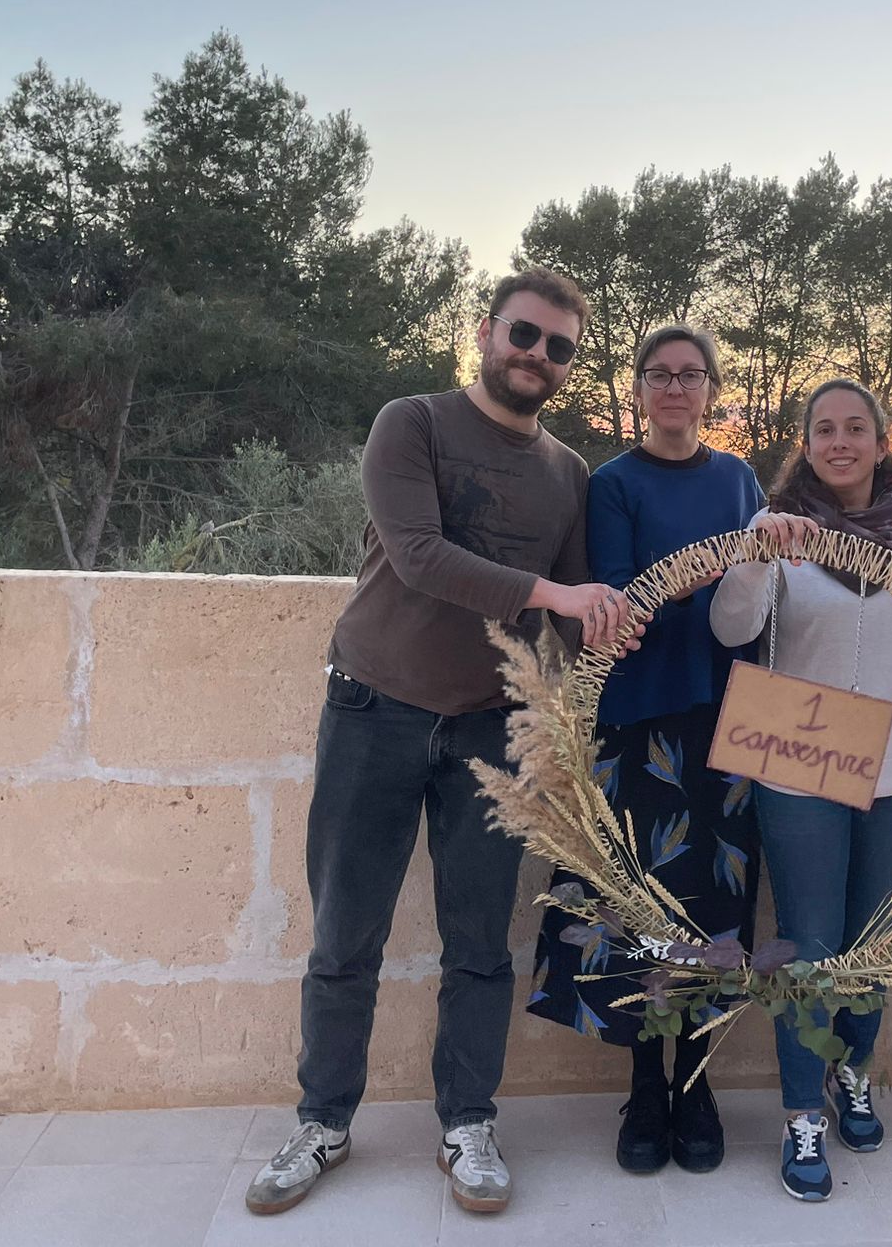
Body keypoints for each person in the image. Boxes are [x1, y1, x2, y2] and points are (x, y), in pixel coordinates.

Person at [246, 268, 644, 1219]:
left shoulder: (569, 474)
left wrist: (625, 617)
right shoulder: (412, 422)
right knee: (347, 933)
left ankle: (468, 1124)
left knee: (479, 945)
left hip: (488, 730)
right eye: (524, 335)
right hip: (372, 709)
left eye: (558, 347)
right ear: (485, 331)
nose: (537, 357)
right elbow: (419, 556)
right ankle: (323, 1122)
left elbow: (573, 611)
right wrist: (554, 595)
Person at [526, 325, 765, 1176]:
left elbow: (759, 594)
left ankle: (696, 1082)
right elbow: (623, 604)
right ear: (638, 390)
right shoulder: (612, 483)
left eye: (690, 375)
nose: (674, 387)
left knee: (713, 908)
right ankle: (646, 1084)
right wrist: (708, 569)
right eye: (659, 375)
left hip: (728, 724)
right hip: (636, 722)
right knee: (637, 904)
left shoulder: (740, 478)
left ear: (709, 389)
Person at [710, 379, 892, 1204]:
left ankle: (853, 1075)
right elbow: (731, 630)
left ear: (882, 441)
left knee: (873, 943)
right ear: (804, 445)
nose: (839, 442)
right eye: (822, 430)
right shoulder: (784, 534)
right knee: (810, 941)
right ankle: (802, 1112)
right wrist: (752, 551)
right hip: (800, 765)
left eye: (855, 428)